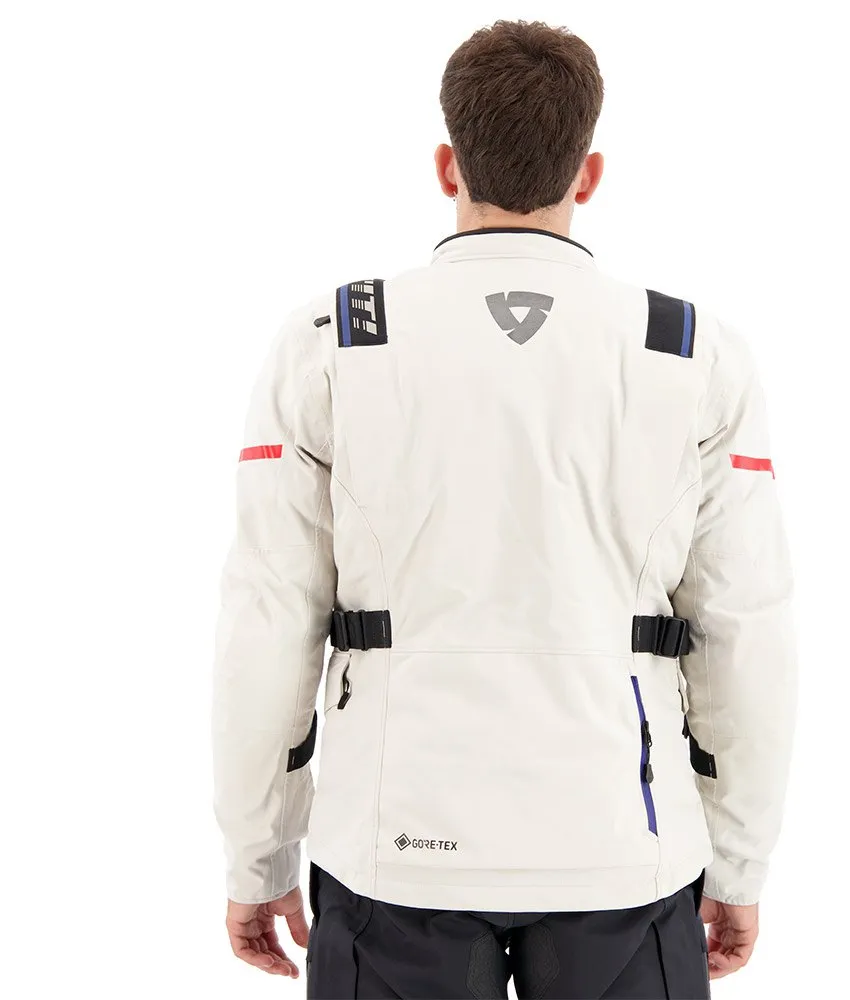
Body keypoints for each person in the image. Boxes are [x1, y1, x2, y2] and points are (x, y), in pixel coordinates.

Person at [212, 19, 796, 999]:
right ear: (588, 173)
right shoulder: (690, 351)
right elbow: (747, 628)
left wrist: (256, 852)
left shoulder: (336, 340)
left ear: (448, 164)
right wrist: (739, 862)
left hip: (392, 850)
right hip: (625, 846)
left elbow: (266, 620)